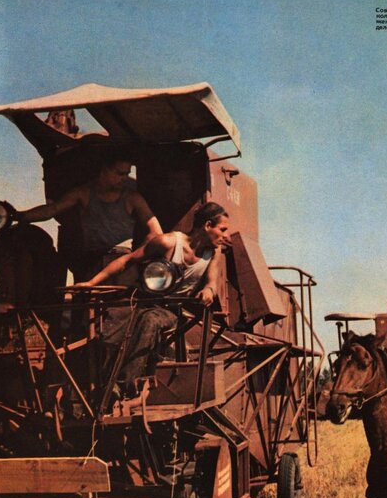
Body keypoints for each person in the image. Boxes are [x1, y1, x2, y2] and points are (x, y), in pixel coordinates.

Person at [76, 201, 229, 390]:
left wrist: (208, 291)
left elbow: (212, 282)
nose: (226, 236)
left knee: (151, 321)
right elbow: (127, 260)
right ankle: (93, 385)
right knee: (110, 321)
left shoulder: (213, 252)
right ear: (207, 225)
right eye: (223, 230)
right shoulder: (168, 242)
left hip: (172, 311)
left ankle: (122, 386)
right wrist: (91, 283)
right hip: (144, 301)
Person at [17, 149, 163, 280]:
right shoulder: (83, 193)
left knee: (123, 300)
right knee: (86, 298)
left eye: (127, 174)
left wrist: (136, 256)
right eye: (120, 173)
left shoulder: (132, 198)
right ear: (104, 170)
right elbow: (52, 209)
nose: (124, 178)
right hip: (92, 261)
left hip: (123, 261)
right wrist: (19, 216)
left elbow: (156, 231)